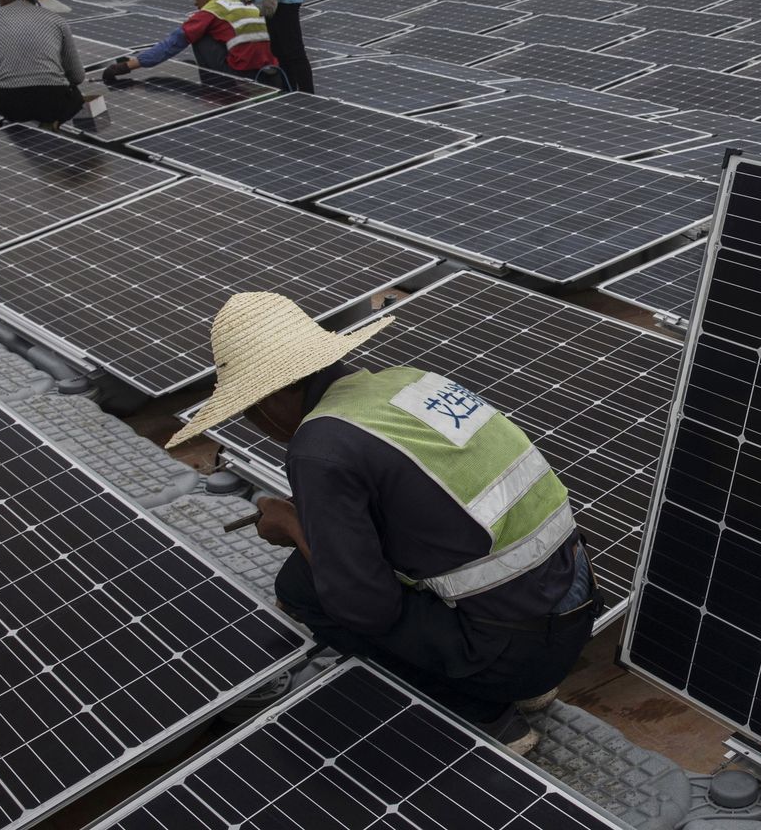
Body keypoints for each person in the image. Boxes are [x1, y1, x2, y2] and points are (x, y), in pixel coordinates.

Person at [164, 293, 598, 753]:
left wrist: (292, 524)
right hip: (575, 608)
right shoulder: (409, 383)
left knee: (303, 587)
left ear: (269, 399)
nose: (256, 423)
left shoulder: (319, 447)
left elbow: (361, 605)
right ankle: (528, 686)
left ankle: (482, 712)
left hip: (514, 653)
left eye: (248, 410)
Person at [98, 0, 289, 89]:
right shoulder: (245, 5)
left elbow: (172, 44)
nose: (194, 0)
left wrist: (127, 66)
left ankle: (216, 86)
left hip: (242, 76)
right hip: (271, 74)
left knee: (197, 35)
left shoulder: (212, 10)